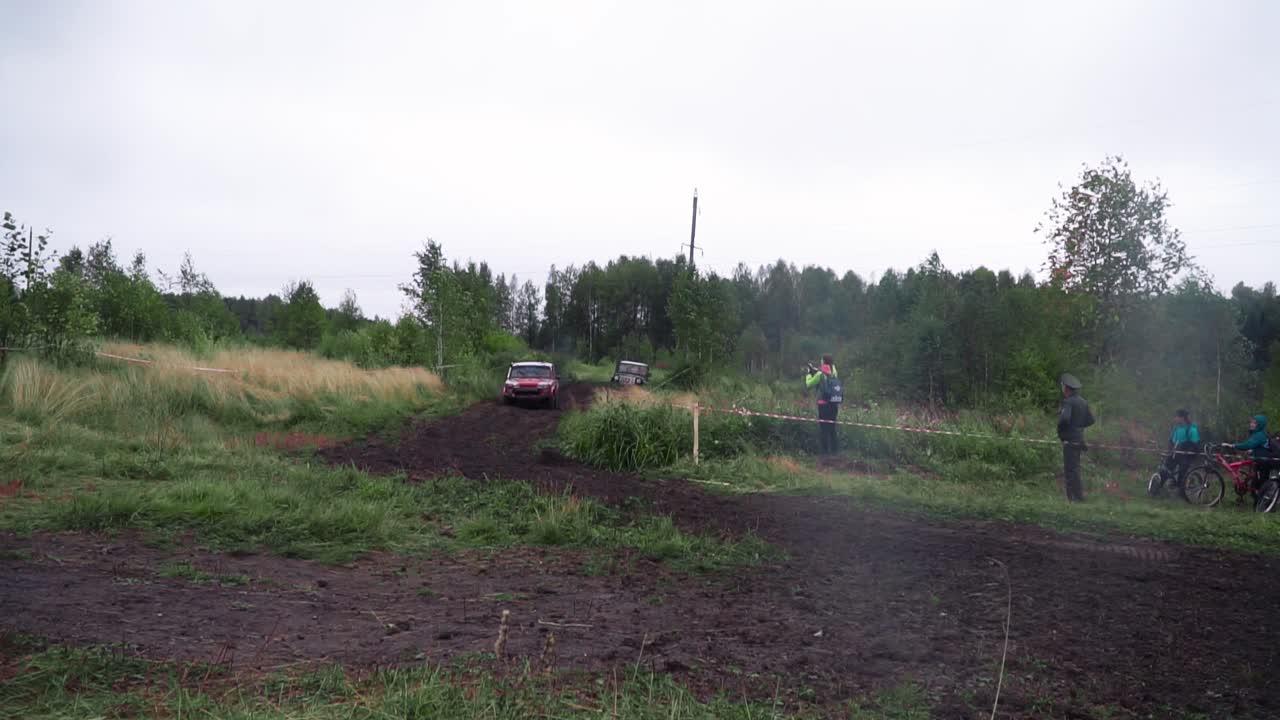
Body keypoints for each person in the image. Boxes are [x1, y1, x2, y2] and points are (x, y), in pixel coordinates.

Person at [1056, 373, 1094, 502]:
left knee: (1070, 471)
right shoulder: (1083, 402)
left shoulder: (1068, 402)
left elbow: (1064, 420)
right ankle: (1078, 497)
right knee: (1075, 469)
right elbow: (1091, 420)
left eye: (1062, 386)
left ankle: (1074, 499)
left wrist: (1061, 431)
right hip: (1079, 440)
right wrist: (1078, 427)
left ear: (1066, 388)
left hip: (1070, 441)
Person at [1222, 414, 1273, 496]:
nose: (1251, 424)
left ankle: (1266, 503)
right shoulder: (1259, 433)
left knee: (1262, 485)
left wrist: (1232, 445)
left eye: (1254, 423)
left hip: (1264, 463)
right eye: (1251, 422)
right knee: (1257, 484)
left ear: (1260, 425)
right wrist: (1252, 450)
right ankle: (1261, 500)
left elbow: (1247, 445)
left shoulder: (1259, 435)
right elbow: (1258, 446)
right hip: (1260, 462)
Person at [805, 354, 842, 455]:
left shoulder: (820, 374)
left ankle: (825, 453)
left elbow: (809, 384)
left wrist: (809, 374)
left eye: (821, 360)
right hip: (834, 404)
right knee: (832, 428)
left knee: (824, 429)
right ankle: (835, 451)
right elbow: (827, 374)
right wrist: (816, 370)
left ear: (823, 362)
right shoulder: (834, 372)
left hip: (823, 405)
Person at [1163, 408, 1201, 487]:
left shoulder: (1192, 429)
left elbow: (1195, 444)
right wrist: (1170, 449)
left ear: (1182, 418)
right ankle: (1161, 486)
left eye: (1176, 417)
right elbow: (1172, 441)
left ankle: (1182, 488)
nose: (1174, 419)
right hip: (1176, 454)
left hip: (1186, 456)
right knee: (1165, 468)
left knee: (1182, 472)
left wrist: (1184, 448)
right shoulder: (1176, 428)